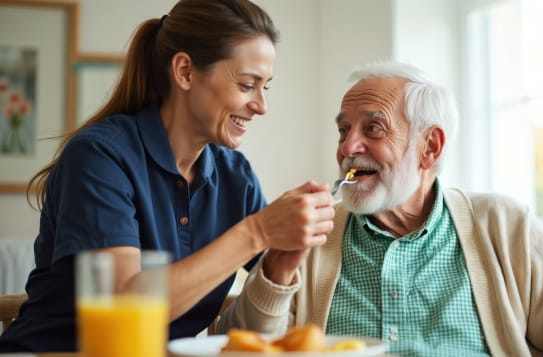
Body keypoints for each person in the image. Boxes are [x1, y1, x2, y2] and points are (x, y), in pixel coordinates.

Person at [217, 62, 543, 356]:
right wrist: (277, 271)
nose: (347, 147)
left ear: (429, 147)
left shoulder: (504, 225)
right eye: (344, 130)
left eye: (372, 128)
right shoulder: (309, 235)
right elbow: (238, 346)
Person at [0, 0, 335, 352]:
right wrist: (257, 231)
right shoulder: (99, 156)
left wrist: (279, 267)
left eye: (265, 86)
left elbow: (260, 311)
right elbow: (127, 307)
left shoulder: (236, 176)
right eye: (248, 84)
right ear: (185, 71)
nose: (261, 106)